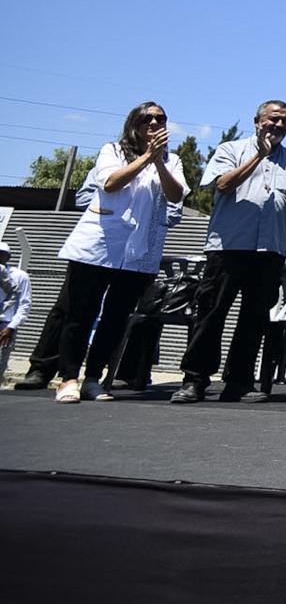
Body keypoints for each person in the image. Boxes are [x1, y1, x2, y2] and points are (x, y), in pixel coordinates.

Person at [174, 101, 286, 403]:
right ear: (257, 121)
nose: (278, 126)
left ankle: (239, 382)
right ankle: (194, 380)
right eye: (273, 119)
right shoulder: (230, 150)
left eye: (284, 122)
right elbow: (221, 185)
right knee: (211, 314)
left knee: (254, 319)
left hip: (269, 250)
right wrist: (258, 157)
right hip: (229, 248)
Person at [40, 104, 187, 402]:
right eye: (148, 118)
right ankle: (68, 378)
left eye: (161, 119)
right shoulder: (113, 151)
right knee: (81, 314)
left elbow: (175, 196)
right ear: (134, 124)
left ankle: (94, 378)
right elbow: (109, 183)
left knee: (116, 318)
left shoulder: (173, 161)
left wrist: (158, 161)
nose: (155, 122)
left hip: (137, 253)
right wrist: (146, 157)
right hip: (98, 246)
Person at [0, 242, 27, 383]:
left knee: (0, 361)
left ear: (7, 257)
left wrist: (11, 326)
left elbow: (24, 303)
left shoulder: (19, 276)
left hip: (5, 323)